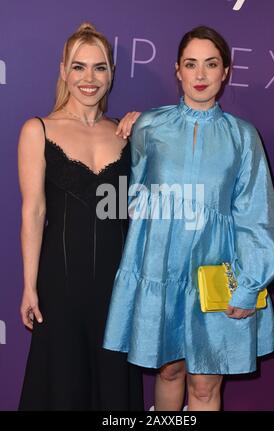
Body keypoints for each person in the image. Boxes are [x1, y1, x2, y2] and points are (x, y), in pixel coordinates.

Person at [103, 26, 274, 411]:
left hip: (216, 273)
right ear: (177, 71)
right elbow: (134, 194)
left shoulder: (243, 136)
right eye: (191, 64)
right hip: (162, 269)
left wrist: (249, 283)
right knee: (168, 372)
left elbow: (258, 215)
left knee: (204, 384)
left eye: (211, 64)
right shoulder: (149, 127)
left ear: (226, 72)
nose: (200, 75)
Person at [18, 22, 144, 411]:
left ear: (111, 74)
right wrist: (29, 286)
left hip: (118, 289)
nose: (89, 79)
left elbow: (140, 208)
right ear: (62, 71)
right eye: (79, 67)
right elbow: (34, 211)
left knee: (113, 393)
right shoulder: (38, 130)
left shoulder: (127, 132)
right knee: (63, 389)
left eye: (99, 67)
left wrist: (149, 126)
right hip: (61, 287)